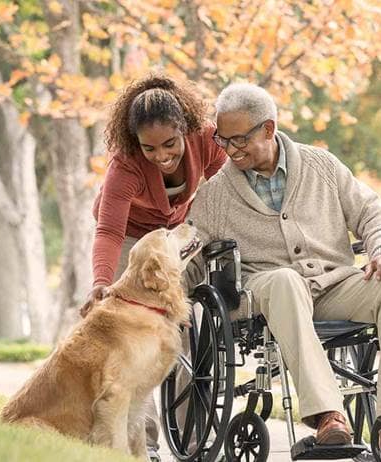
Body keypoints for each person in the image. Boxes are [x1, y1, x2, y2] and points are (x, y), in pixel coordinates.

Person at [185, 83, 381, 453]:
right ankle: (328, 415)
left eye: (240, 139)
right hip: (268, 293)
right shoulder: (214, 195)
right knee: (285, 280)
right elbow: (192, 256)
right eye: (223, 140)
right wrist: (165, 300)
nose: (231, 150)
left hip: (334, 286)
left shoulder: (321, 165)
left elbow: (373, 212)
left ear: (268, 128)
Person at [83, 74, 227, 461]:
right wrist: (102, 281)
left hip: (174, 236)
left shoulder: (207, 140)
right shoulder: (125, 165)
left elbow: (228, 190)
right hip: (130, 239)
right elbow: (109, 230)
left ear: (186, 129)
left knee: (186, 336)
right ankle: (141, 446)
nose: (161, 156)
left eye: (170, 144)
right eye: (150, 148)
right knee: (135, 346)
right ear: (136, 144)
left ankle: (195, 444)